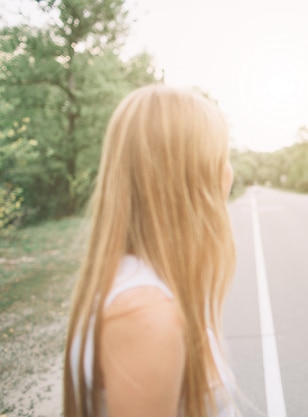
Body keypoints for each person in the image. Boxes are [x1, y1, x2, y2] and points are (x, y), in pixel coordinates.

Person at [63, 85, 237, 417]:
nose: (229, 171)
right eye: (222, 157)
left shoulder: (144, 283)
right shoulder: (147, 317)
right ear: (191, 177)